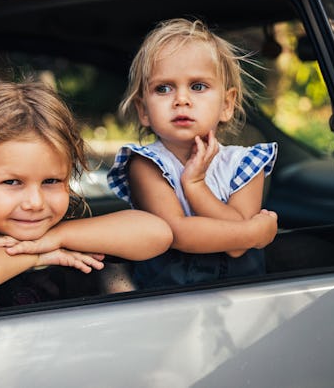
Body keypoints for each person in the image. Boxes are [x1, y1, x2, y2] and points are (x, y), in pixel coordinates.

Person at [0, 79, 173, 318]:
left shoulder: (62, 236)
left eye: (51, 181)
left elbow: (157, 233)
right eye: (12, 182)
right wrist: (38, 254)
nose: (35, 202)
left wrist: (55, 238)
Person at [107, 18, 279, 288]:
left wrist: (197, 187)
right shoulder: (146, 165)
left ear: (227, 104)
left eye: (198, 86)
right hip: (168, 302)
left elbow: (237, 246)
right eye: (163, 88)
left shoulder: (244, 163)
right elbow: (177, 233)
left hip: (240, 302)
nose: (181, 99)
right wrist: (252, 233)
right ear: (143, 110)